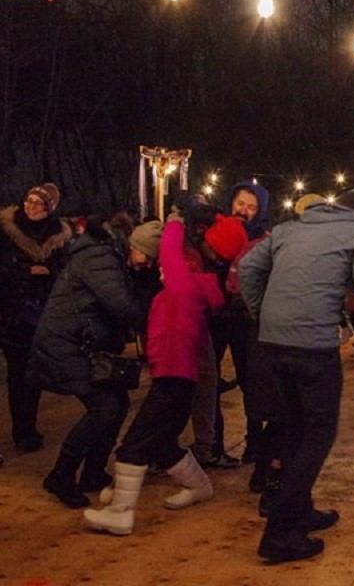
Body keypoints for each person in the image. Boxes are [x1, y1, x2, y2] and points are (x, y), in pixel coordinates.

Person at [240, 192, 354, 563]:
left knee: (295, 428)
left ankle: (300, 511)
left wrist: (262, 314)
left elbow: (247, 268)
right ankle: (281, 533)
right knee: (318, 434)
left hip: (273, 341)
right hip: (313, 346)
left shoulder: (289, 229)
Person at [83, 213, 246, 536]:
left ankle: (120, 512)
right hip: (177, 378)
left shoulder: (182, 286)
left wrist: (175, 220)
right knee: (162, 441)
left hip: (172, 379)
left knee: (133, 444)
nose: (162, 268)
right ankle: (198, 486)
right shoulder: (191, 289)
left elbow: (170, 250)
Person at [27, 215, 157, 508]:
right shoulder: (100, 258)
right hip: (64, 344)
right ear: (134, 245)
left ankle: (93, 472)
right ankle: (60, 475)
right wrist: (150, 296)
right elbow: (125, 306)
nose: (147, 264)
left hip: (80, 344)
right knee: (105, 406)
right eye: (147, 257)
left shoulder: (112, 257)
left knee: (118, 403)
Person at [0, 183, 71, 453]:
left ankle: (26, 428)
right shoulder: (7, 231)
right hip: (11, 312)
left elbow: (64, 272)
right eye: (28, 200)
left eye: (38, 202)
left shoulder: (58, 237)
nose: (31, 206)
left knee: (30, 374)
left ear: (49, 208)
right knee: (18, 373)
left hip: (40, 315)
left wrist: (49, 274)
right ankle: (23, 430)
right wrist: (26, 272)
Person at [207, 181, 271, 467]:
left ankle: (254, 442)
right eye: (240, 203)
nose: (243, 211)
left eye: (251, 207)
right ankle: (212, 442)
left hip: (245, 318)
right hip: (215, 315)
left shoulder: (264, 241)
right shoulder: (215, 232)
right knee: (209, 380)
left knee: (250, 381)